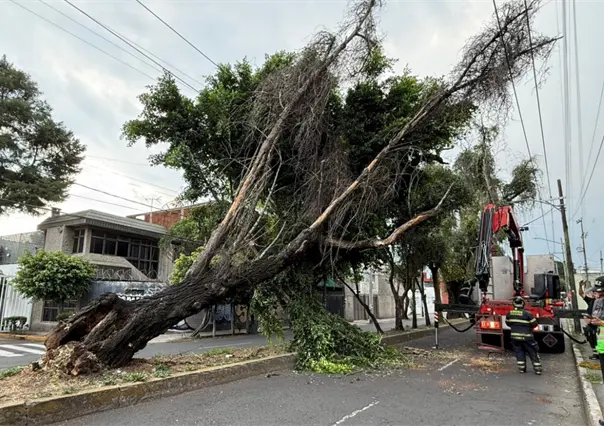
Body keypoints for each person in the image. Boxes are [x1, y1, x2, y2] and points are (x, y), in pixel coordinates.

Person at [505, 296, 542, 375]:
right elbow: (534, 324)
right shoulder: (527, 314)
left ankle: (521, 369)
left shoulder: (509, 314)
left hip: (515, 338)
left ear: (513, 304)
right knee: (532, 352)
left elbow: (508, 323)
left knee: (519, 352)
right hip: (527, 337)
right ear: (522, 304)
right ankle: (537, 369)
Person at [580, 280, 599, 359]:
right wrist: (580, 286)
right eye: (593, 293)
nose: (593, 294)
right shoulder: (591, 301)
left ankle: (598, 354)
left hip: (599, 323)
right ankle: (595, 353)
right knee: (590, 336)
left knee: (598, 338)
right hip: (591, 324)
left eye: (595, 293)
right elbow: (581, 294)